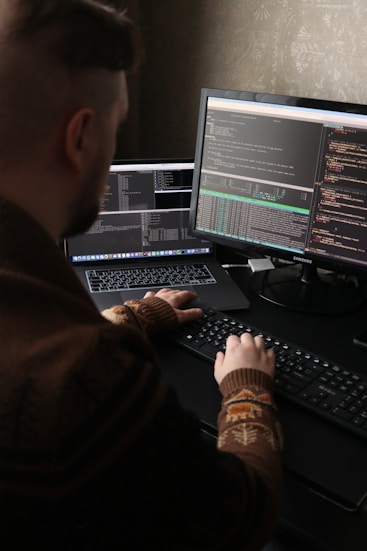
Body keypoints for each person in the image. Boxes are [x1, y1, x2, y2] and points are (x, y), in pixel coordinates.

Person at [0, 1, 283, 549]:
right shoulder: (91, 377)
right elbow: (238, 519)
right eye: (115, 126)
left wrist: (127, 316)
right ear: (81, 137)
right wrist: (247, 389)